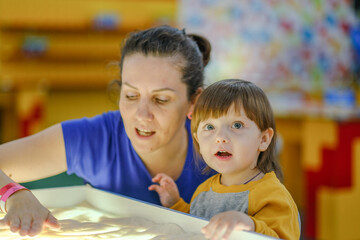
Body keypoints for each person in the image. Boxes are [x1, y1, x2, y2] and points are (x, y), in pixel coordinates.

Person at [0, 25, 214, 237]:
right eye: (131, 96)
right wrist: (15, 194)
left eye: (161, 99)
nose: (142, 114)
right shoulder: (97, 137)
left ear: (193, 102)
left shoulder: (222, 145)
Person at [149, 79, 301, 240]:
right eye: (209, 127)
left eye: (236, 125)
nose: (220, 137)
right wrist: (175, 204)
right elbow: (198, 225)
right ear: (198, 140)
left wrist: (251, 225)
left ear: (263, 139)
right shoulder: (204, 190)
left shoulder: (272, 196)